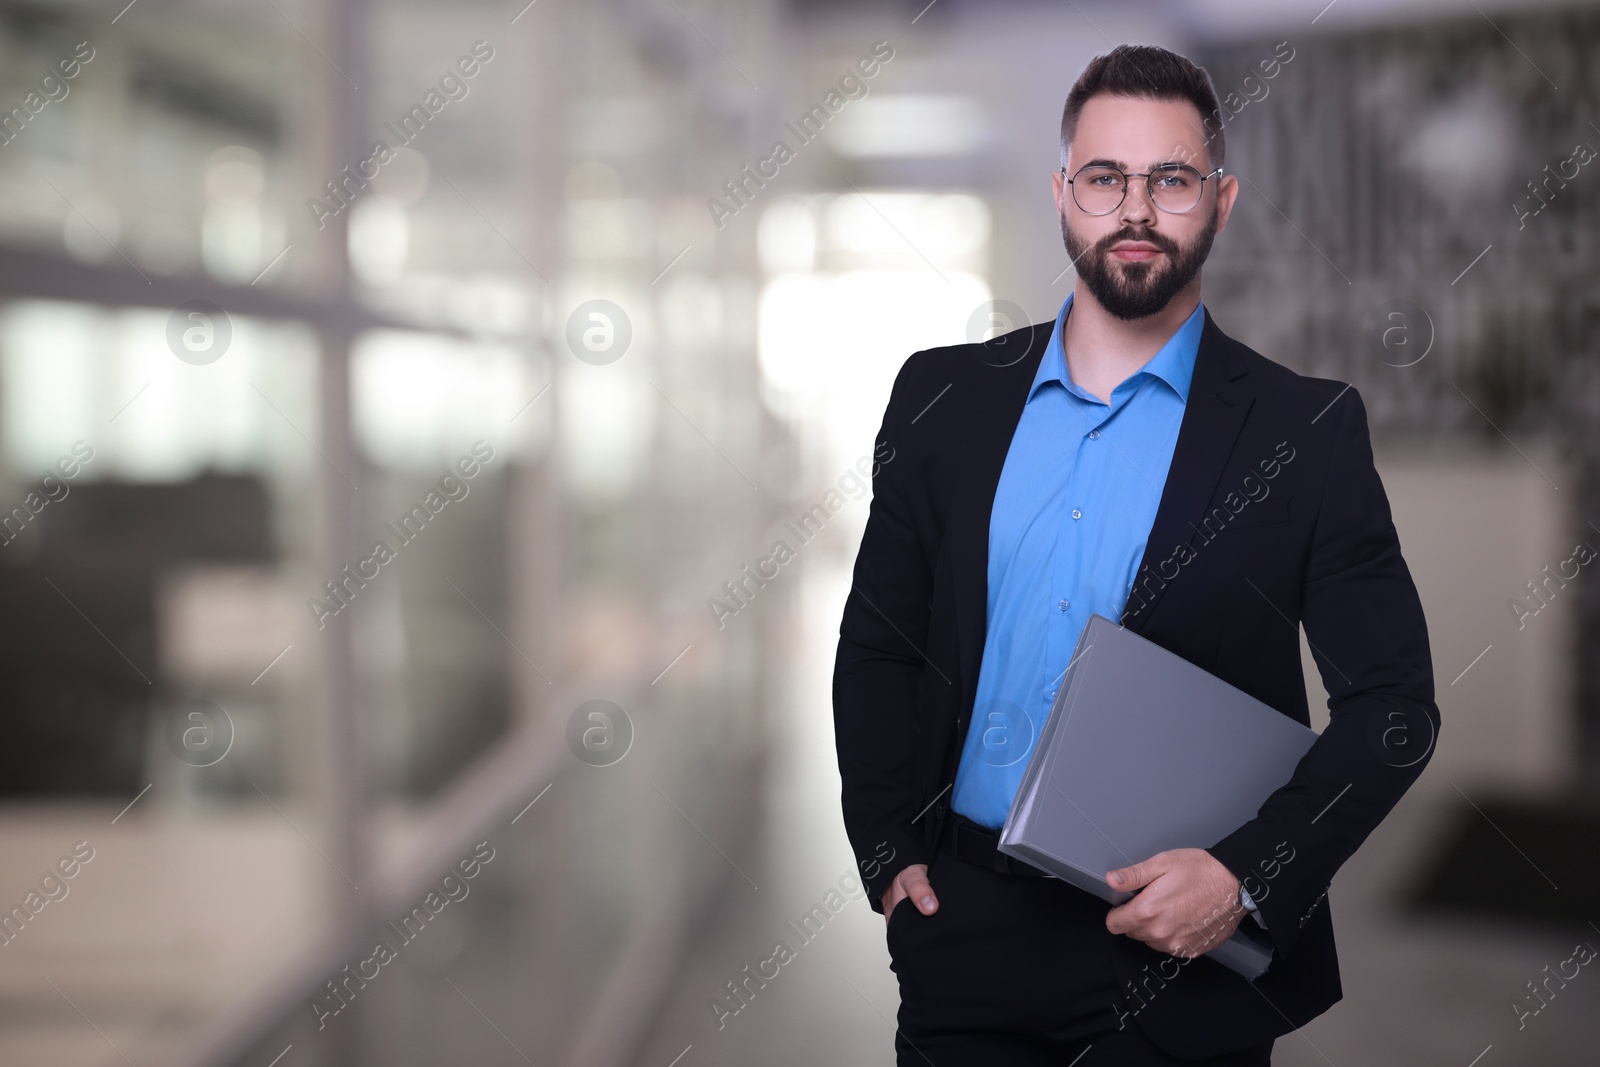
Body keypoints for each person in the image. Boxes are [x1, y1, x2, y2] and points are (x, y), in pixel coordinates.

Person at [833, 43, 1438, 1066]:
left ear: (1221, 199)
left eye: (1171, 179)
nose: (1136, 209)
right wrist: (888, 847)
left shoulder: (1305, 430)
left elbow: (1392, 708)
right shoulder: (941, 396)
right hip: (961, 934)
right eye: (1106, 178)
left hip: (1177, 961)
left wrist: (1247, 874)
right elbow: (879, 642)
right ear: (1065, 192)